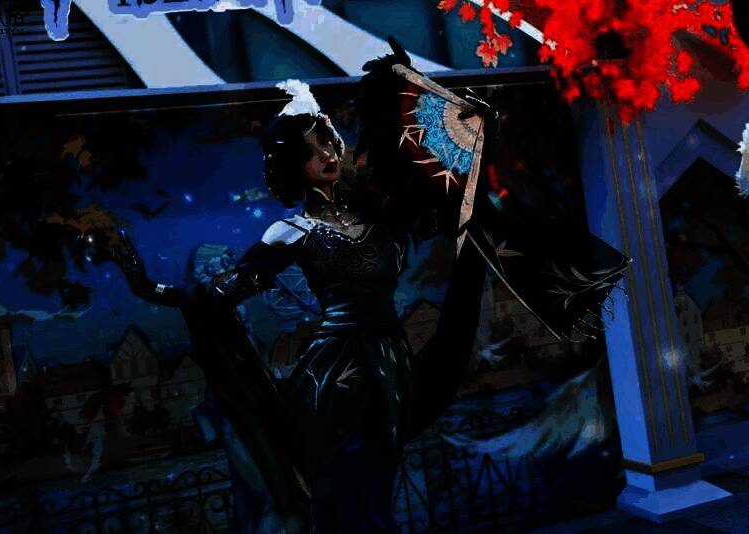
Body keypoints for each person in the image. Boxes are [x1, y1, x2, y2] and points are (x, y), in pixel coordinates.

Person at [112, 38, 629, 533]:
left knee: (377, 492)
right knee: (348, 497)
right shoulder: (289, 231)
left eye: (326, 138)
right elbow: (218, 297)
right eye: (309, 150)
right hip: (332, 376)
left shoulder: (381, 210)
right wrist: (155, 291)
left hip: (390, 366)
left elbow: (445, 185)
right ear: (293, 166)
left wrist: (470, 128)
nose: (325, 152)